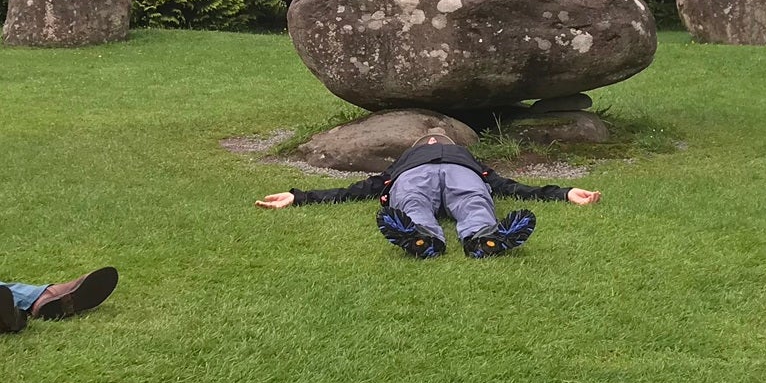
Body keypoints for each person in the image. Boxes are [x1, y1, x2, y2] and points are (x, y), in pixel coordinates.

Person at [254, 135, 602, 258]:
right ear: (420, 146)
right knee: (412, 204)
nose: (434, 141)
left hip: (463, 175)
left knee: (474, 202)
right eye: (429, 140)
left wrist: (565, 191)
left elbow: (509, 186)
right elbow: (358, 189)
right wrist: (298, 197)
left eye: (439, 139)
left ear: (449, 143)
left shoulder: (467, 157)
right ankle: (422, 238)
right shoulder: (402, 163)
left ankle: (484, 238)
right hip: (412, 178)